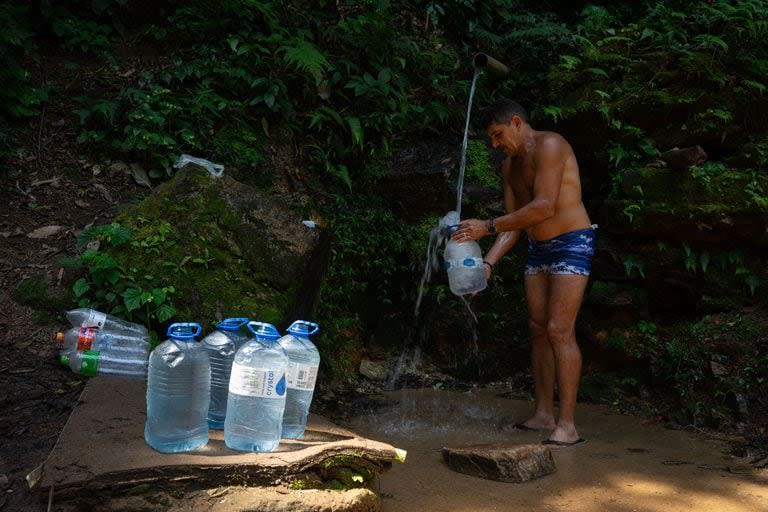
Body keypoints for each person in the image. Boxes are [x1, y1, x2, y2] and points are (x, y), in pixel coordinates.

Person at [452, 98, 595, 447]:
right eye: (491, 139)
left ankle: (568, 425)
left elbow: (544, 206)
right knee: (538, 331)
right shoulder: (509, 167)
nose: (496, 144)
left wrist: (486, 225)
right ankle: (544, 414)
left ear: (517, 122)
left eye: (498, 135)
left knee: (559, 330)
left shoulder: (551, 145)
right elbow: (512, 227)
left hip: (572, 242)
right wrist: (487, 264)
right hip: (538, 248)